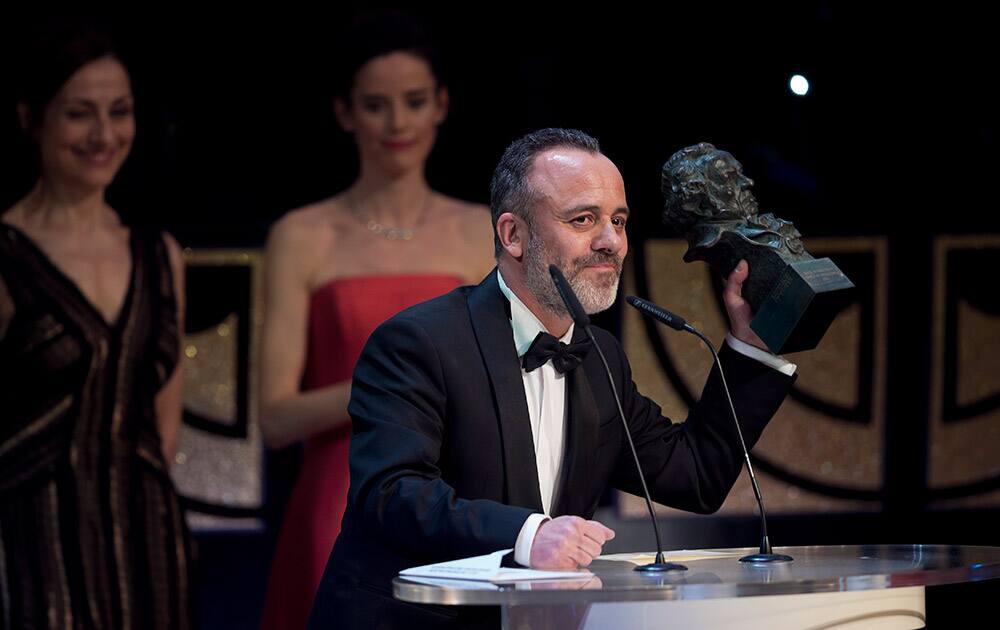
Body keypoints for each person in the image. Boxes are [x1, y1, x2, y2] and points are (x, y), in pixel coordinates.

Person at [309, 127, 798, 629]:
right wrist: (529, 535)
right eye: (583, 219)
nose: (610, 242)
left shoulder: (599, 355)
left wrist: (751, 349)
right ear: (513, 235)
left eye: (619, 221)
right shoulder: (418, 342)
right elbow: (391, 493)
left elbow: (695, 476)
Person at [258, 11, 494, 629]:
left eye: (414, 102)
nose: (397, 123)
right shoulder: (302, 235)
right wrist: (391, 390)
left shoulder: (480, 231)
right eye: (376, 105)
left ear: (441, 105)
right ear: (345, 113)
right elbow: (276, 416)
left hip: (452, 496)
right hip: (340, 497)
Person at [0, 23, 194, 629]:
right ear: (32, 118)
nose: (104, 135)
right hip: (30, 548)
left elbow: (162, 433)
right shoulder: (6, 255)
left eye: (120, 112)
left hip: (147, 545)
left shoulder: (158, 254)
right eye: (80, 114)